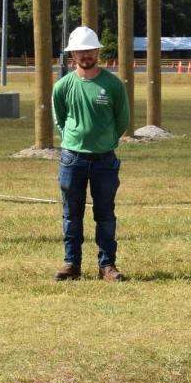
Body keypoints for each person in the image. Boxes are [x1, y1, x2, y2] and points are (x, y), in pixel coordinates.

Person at [51, 27, 130, 282]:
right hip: (72, 159)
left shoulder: (112, 84)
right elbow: (60, 119)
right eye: (80, 51)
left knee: (105, 214)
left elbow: (122, 120)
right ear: (72, 54)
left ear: (98, 51)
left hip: (104, 160)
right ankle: (71, 264)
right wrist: (74, 138)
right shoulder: (63, 86)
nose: (86, 55)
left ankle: (107, 265)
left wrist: (105, 141)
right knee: (71, 214)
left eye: (90, 50)